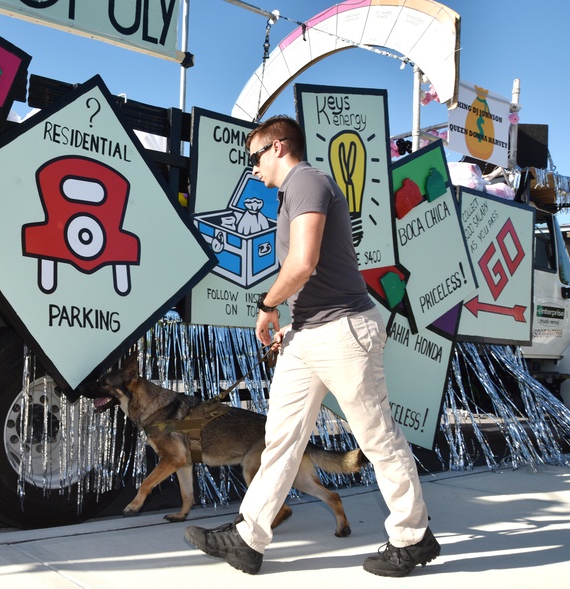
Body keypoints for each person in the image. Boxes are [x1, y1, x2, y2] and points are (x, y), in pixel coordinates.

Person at [184, 115, 439, 577]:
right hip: (309, 335)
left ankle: (413, 536)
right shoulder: (289, 197)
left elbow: (302, 264)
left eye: (255, 156)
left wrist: (267, 306)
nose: (253, 168)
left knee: (378, 438)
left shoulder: (307, 180)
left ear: (278, 147)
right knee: (279, 439)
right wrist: (292, 325)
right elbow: (309, 278)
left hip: (344, 331)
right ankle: (248, 538)